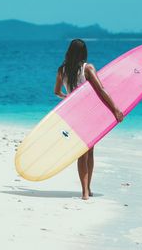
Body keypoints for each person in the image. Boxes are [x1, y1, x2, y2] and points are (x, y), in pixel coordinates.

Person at [54, 39, 123, 200]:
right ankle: (85, 191)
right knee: (88, 151)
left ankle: (87, 188)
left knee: (85, 151)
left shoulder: (62, 70)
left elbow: (56, 92)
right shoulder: (88, 68)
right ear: (83, 52)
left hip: (74, 113)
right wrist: (115, 109)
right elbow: (101, 90)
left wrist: (69, 98)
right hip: (90, 113)